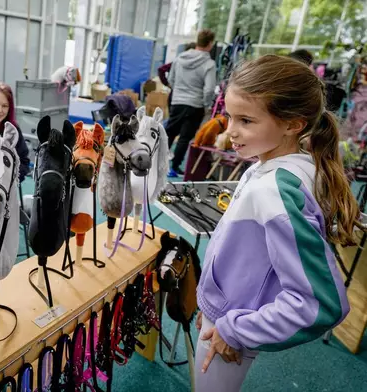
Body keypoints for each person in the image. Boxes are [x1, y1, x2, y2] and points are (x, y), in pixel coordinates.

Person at [194, 55, 356, 391]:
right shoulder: (269, 166)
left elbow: (321, 304)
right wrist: (212, 306)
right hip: (225, 315)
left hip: (231, 328)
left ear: (293, 124)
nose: (230, 131)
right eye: (229, 116)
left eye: (246, 121)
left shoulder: (276, 191)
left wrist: (233, 328)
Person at [166, 30, 216, 177]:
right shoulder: (209, 64)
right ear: (210, 44)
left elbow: (171, 80)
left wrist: (179, 92)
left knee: (169, 134)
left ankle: (157, 164)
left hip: (177, 101)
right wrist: (206, 105)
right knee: (184, 138)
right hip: (195, 105)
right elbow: (209, 89)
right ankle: (174, 168)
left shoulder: (180, 58)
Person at [158, 42, 196, 108]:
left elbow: (161, 69)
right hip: (182, 98)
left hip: (176, 97)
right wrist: (167, 84)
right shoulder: (179, 63)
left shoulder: (178, 62)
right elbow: (161, 69)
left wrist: (168, 84)